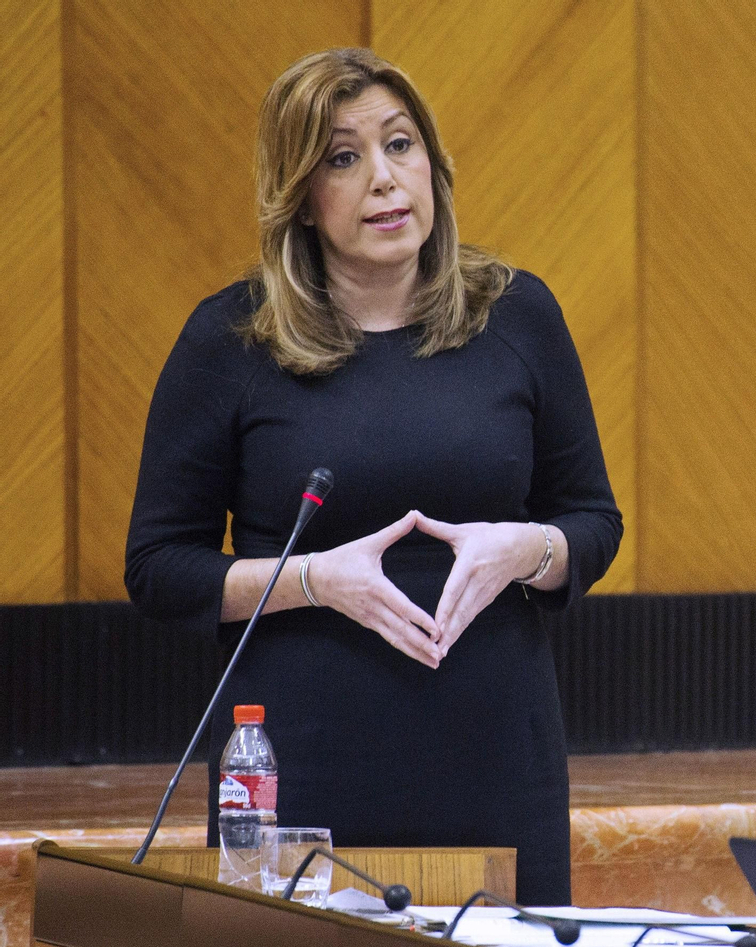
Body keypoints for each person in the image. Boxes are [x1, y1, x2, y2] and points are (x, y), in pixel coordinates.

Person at [124, 48, 621, 904]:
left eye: (401, 144)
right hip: (302, 764)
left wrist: (526, 550)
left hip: (496, 753)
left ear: (434, 163)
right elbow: (160, 568)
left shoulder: (520, 317)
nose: (385, 180)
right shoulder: (231, 342)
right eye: (344, 159)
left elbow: (592, 522)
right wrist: (314, 581)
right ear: (302, 199)